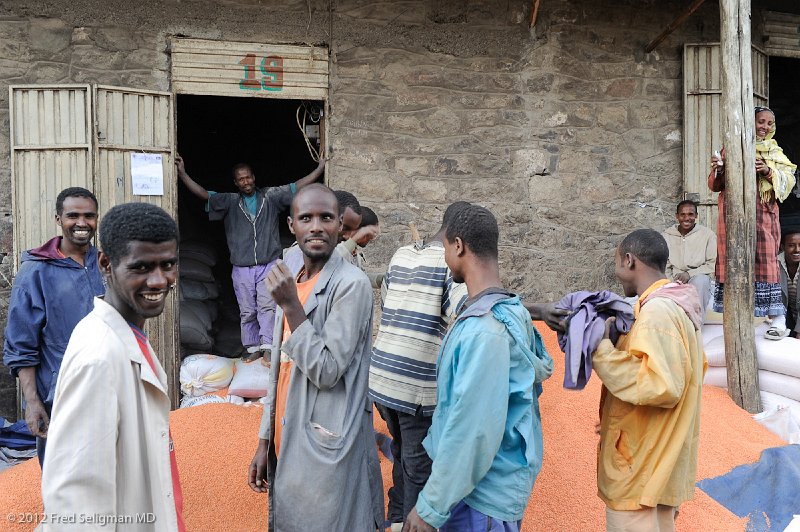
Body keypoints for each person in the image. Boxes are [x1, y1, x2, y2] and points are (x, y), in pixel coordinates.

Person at [404, 204, 554, 532]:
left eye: (444, 247)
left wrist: (430, 507)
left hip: (479, 499)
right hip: (487, 491)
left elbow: (471, 430)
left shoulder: (484, 330)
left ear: (458, 246)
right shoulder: (510, 311)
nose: (444, 257)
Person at [40, 203, 185, 531]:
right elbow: (75, 504)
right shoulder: (99, 357)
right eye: (142, 267)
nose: (159, 280)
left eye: (168, 264)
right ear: (106, 264)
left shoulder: (129, 337)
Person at [248, 184, 384, 530]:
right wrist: (265, 440)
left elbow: (327, 370)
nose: (316, 226)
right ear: (292, 226)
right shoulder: (292, 278)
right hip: (288, 437)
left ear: (341, 226)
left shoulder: (351, 285)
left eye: (326, 217)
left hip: (327, 444)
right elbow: (279, 371)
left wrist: (292, 306)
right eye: (306, 218)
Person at [593, 229, 706, 532]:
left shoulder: (657, 313)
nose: (617, 272)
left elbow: (661, 384)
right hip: (657, 454)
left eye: (617, 262)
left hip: (642, 462)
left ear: (629, 260)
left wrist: (602, 351)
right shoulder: (675, 305)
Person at [369, 201, 470, 531]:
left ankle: (395, 517)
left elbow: (386, 303)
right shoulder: (448, 265)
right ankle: (411, 523)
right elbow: (470, 307)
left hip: (382, 377)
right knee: (418, 464)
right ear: (460, 240)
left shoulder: (401, 254)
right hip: (415, 386)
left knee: (401, 452)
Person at [176, 154, 325, 358]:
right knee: (247, 311)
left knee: (268, 307)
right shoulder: (230, 202)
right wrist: (182, 174)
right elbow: (203, 194)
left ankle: (268, 348)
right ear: (236, 182)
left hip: (269, 264)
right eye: (241, 179)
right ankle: (252, 348)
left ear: (254, 177)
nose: (246, 182)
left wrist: (320, 169)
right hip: (242, 267)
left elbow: (295, 186)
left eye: (248, 177)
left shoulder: (270, 197)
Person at [3, 187, 104, 467]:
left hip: (107, 390)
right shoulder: (36, 272)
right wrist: (32, 402)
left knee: (107, 475)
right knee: (63, 477)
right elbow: (21, 344)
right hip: (60, 395)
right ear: (58, 219)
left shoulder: (104, 264)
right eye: (73, 215)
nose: (82, 223)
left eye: (89, 216)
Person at [709, 106, 797, 339]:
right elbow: (714, 185)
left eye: (769, 123)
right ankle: (738, 318)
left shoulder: (774, 151)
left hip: (764, 217)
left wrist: (768, 171)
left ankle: (777, 319)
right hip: (733, 216)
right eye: (760, 121)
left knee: (766, 261)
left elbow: (788, 180)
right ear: (751, 122)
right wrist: (720, 169)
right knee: (734, 260)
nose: (764, 127)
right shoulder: (733, 149)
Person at [662, 200, 716, 315]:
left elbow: (711, 264)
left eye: (691, 214)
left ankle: (696, 325)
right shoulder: (667, 235)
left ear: (696, 216)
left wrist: (689, 274)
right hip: (674, 278)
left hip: (697, 277)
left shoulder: (707, 235)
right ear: (677, 216)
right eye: (683, 214)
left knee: (701, 281)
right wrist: (671, 281)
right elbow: (664, 263)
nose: (687, 218)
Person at [779, 229, 800, 338]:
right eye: (791, 245)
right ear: (782, 247)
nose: (797, 250)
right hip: (788, 320)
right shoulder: (775, 265)